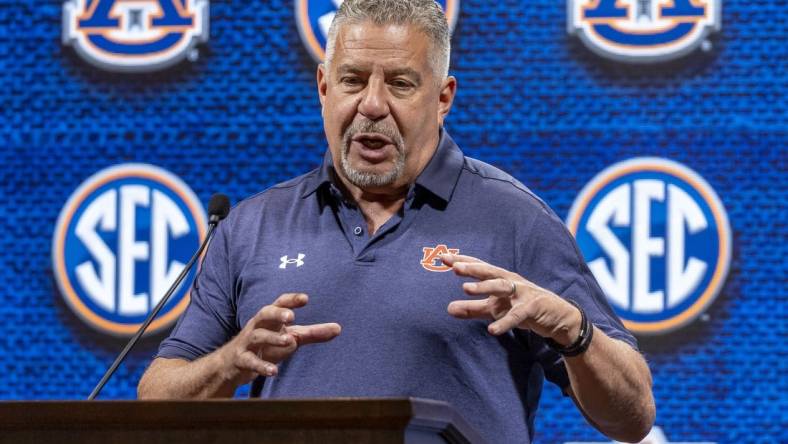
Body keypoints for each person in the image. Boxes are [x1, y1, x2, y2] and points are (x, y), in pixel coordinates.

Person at [138, 0, 655, 442]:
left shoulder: (515, 220)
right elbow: (155, 403)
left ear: (444, 97)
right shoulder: (252, 226)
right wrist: (230, 362)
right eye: (353, 80)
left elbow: (632, 418)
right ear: (323, 86)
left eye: (401, 84)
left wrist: (570, 328)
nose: (372, 104)